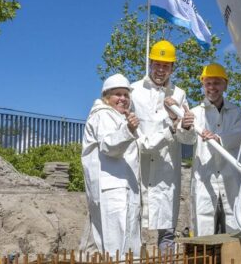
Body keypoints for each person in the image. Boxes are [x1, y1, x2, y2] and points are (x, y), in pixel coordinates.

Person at [131, 40, 194, 253]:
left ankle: (165, 257)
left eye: (165, 66)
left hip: (167, 166)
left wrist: (185, 126)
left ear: (172, 68)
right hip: (139, 163)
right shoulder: (133, 90)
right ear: (150, 63)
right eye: (157, 64)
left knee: (166, 223)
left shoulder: (180, 94)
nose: (160, 70)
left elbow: (186, 138)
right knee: (135, 218)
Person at [178, 63, 241, 236]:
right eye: (208, 83)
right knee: (204, 227)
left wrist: (219, 138)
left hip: (230, 178)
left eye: (216, 83)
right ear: (203, 85)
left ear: (225, 85)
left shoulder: (236, 112)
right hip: (204, 179)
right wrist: (185, 127)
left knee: (234, 227)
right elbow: (186, 140)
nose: (212, 88)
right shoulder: (194, 113)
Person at [80, 73, 142, 258]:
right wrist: (129, 130)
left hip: (123, 189)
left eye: (126, 95)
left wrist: (171, 128)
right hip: (113, 191)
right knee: (117, 246)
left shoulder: (119, 118)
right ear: (106, 97)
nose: (123, 99)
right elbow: (109, 146)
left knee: (128, 244)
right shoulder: (103, 116)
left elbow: (146, 144)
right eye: (118, 94)